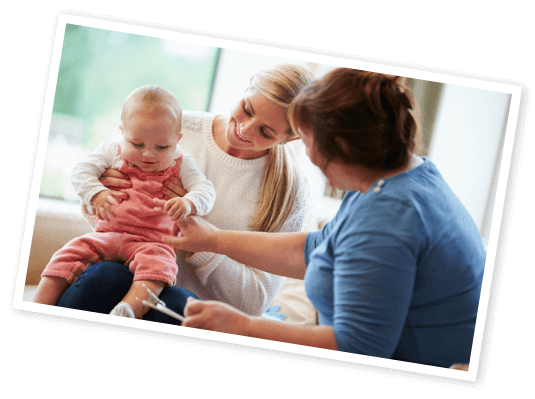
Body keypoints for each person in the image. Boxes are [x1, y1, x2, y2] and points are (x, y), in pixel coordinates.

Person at [163, 68, 487, 368]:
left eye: (305, 141)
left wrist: (245, 328)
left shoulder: (389, 219)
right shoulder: (395, 177)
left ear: (342, 145)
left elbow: (359, 347)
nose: (306, 154)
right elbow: (316, 248)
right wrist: (212, 240)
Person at [55, 64, 314, 323]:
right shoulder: (173, 127)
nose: (244, 130)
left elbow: (255, 303)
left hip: (186, 310)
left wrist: (203, 242)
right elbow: (104, 220)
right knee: (106, 277)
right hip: (122, 274)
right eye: (247, 109)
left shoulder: (291, 191)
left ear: (288, 139)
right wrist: (102, 194)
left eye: (266, 132)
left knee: (181, 303)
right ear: (247, 85)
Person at [32, 85, 216, 319]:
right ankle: (38, 305)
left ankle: (128, 310)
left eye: (162, 147)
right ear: (122, 132)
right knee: (65, 257)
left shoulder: (183, 163)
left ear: (177, 140)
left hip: (151, 242)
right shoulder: (112, 150)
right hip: (106, 235)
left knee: (158, 269)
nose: (148, 154)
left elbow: (206, 189)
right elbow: (81, 172)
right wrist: (96, 192)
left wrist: (190, 203)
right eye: (137, 145)